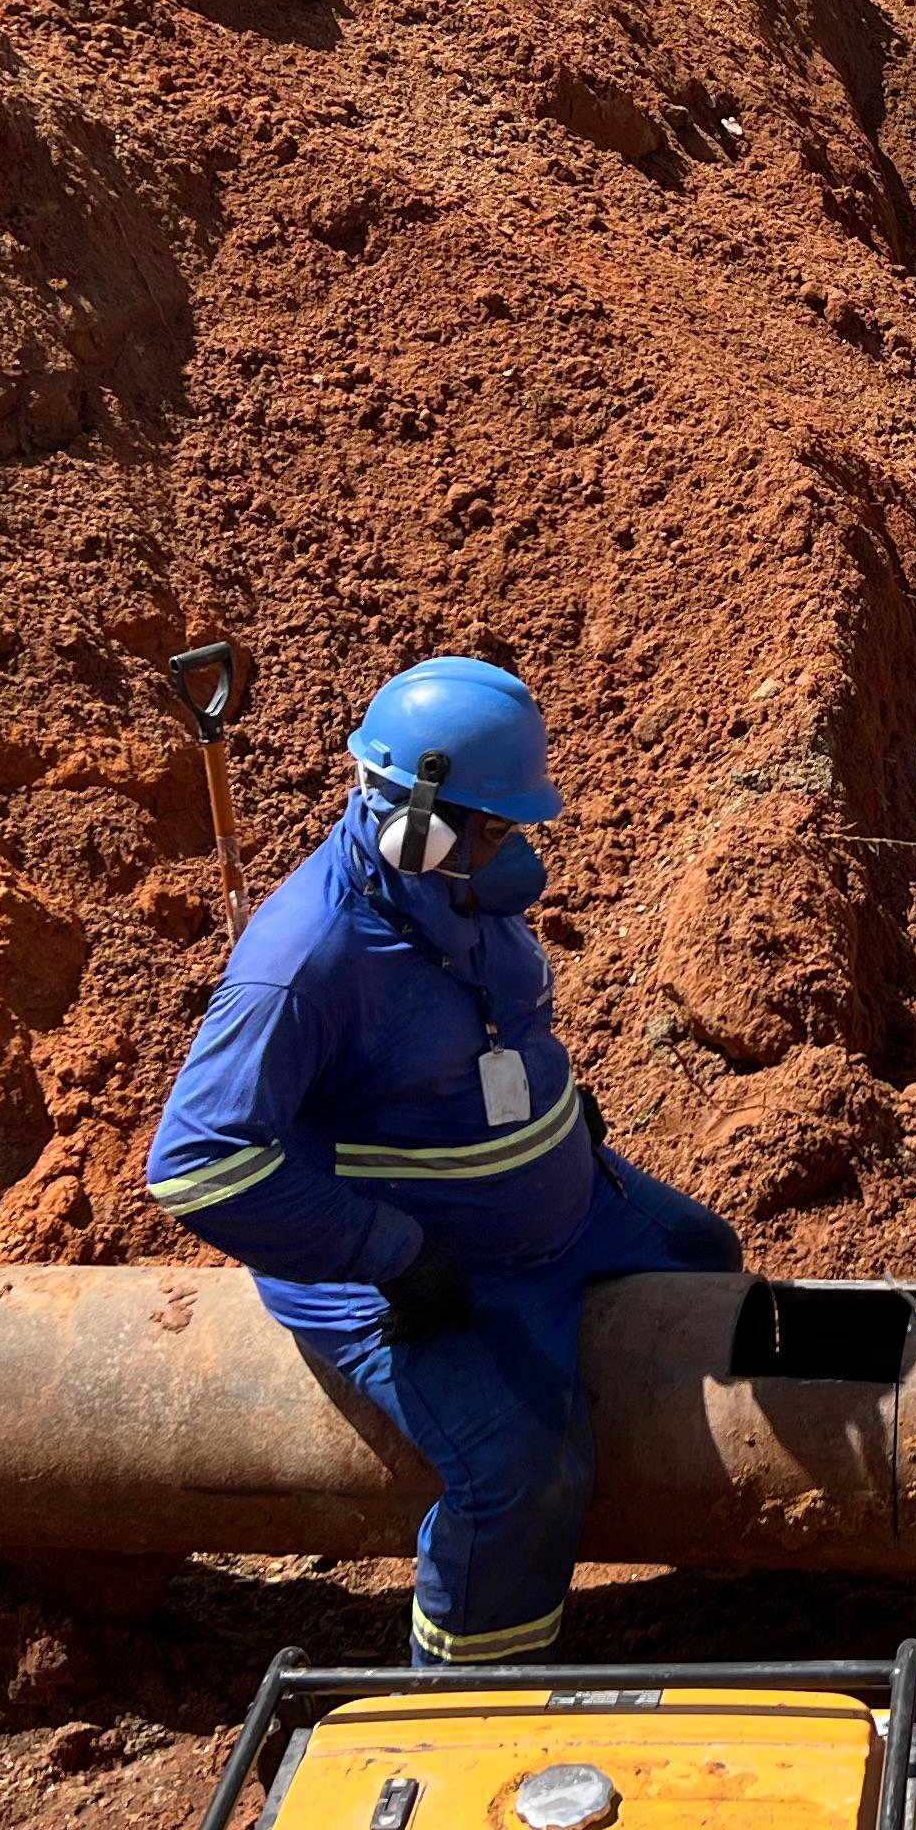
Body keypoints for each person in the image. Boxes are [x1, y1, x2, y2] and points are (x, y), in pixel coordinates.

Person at [145, 655, 741, 1665]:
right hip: (429, 1274)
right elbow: (198, 1162)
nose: (516, 854)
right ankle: (469, 1696)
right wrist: (392, 1251)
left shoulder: (454, 888)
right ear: (414, 821)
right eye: (497, 827)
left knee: (704, 1256)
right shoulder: (306, 961)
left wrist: (553, 1121)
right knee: (517, 1474)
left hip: (562, 1214)